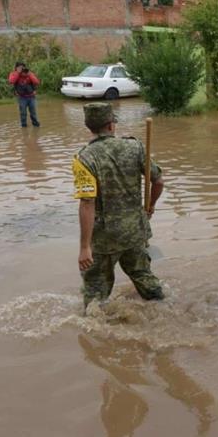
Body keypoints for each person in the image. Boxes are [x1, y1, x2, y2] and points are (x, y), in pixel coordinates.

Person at [73, 102, 165, 309]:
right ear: (111, 125)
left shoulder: (84, 158)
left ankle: (95, 337)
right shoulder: (136, 147)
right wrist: (150, 206)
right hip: (135, 231)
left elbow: (87, 202)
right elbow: (158, 181)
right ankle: (165, 309)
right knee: (145, 279)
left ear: (89, 127)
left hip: (105, 239)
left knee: (95, 295)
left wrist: (85, 247)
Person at [8, 61, 41, 128]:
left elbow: (37, 82)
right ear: (16, 68)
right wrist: (18, 72)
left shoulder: (29, 73)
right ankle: (24, 127)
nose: (22, 69)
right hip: (22, 97)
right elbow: (11, 81)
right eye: (19, 67)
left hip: (31, 97)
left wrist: (29, 74)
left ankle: (36, 126)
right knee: (23, 114)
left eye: (23, 67)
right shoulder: (13, 74)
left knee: (33, 113)